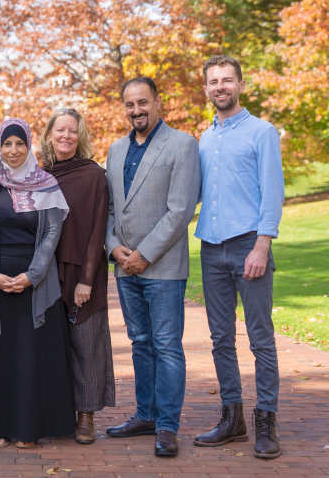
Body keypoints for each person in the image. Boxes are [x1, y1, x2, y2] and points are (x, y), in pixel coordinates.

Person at [0, 117, 73, 448]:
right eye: (6, 144)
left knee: (28, 356)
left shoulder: (46, 183)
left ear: (29, 146)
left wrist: (32, 275)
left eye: (19, 143)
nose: (13, 150)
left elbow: (52, 231)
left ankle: (27, 429)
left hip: (33, 282)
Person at [193, 55, 284, 460]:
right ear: (207, 89)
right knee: (220, 339)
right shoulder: (204, 138)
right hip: (211, 249)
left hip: (249, 245)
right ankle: (233, 419)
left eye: (227, 80)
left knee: (261, 339)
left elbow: (273, 192)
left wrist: (262, 245)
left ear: (240, 85)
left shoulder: (262, 132)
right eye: (213, 82)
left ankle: (267, 420)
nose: (220, 87)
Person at [104, 76, 200, 457]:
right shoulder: (114, 150)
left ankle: (166, 425)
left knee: (166, 346)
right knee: (140, 344)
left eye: (143, 103)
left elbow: (180, 211)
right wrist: (115, 250)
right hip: (125, 267)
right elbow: (109, 209)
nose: (136, 111)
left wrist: (144, 254)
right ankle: (145, 414)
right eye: (130, 105)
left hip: (161, 268)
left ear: (157, 102)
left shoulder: (182, 144)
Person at [40, 108, 116, 445]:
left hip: (84, 269)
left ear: (80, 136)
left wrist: (86, 279)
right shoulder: (39, 176)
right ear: (50, 135)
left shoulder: (93, 176)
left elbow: (98, 229)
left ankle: (86, 416)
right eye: (60, 131)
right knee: (53, 345)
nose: (66, 136)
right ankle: (59, 413)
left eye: (73, 131)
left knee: (87, 342)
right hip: (45, 272)